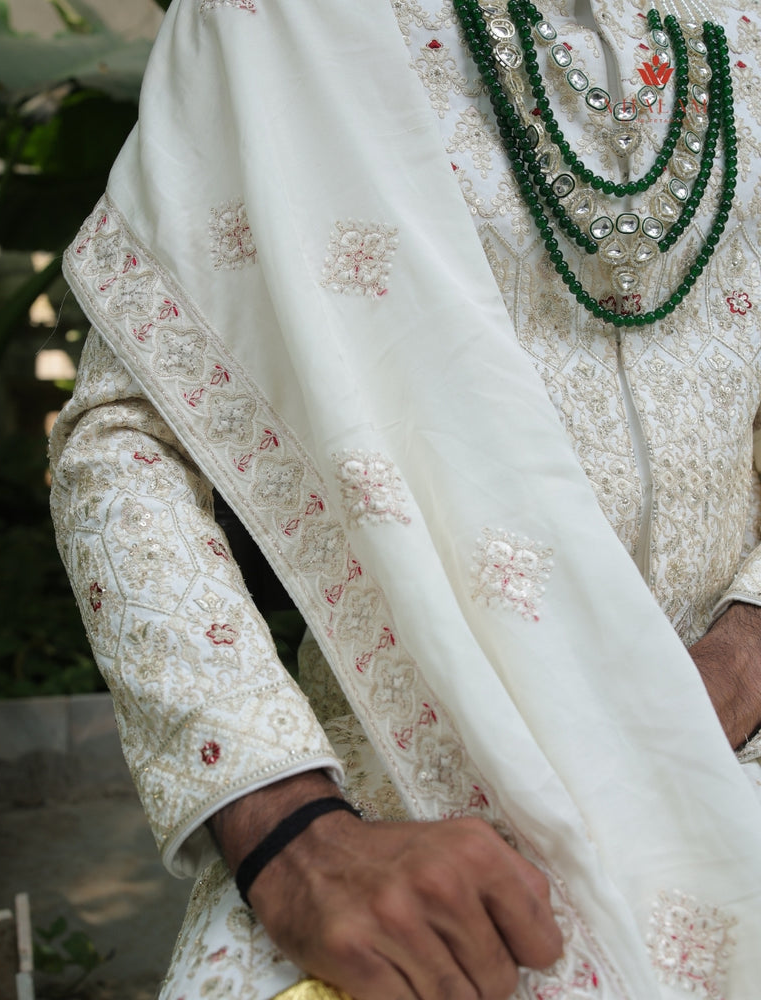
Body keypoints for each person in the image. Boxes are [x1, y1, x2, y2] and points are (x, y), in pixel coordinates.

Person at [49, 0, 761, 996]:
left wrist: (740, 656)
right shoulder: (285, 21)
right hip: (419, 810)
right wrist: (290, 835)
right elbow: (128, 440)